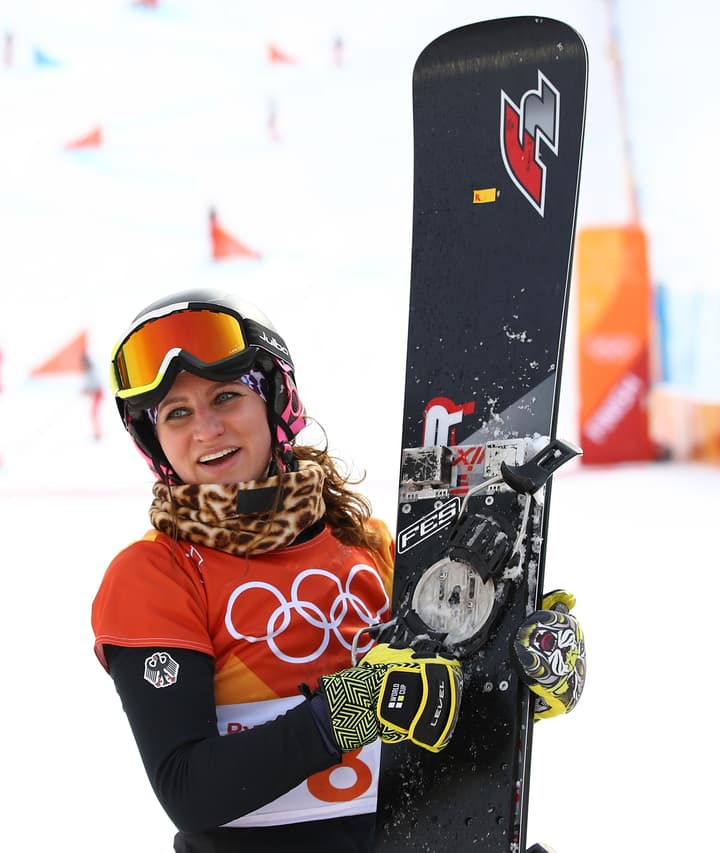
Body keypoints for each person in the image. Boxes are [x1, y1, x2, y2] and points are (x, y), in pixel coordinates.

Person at [90, 290, 585, 852]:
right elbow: (190, 788)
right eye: (176, 413)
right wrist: (352, 707)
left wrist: (512, 686)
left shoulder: (368, 545)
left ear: (277, 402)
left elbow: (432, 713)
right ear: (154, 439)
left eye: (226, 397)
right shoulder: (154, 576)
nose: (204, 429)